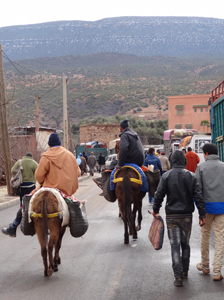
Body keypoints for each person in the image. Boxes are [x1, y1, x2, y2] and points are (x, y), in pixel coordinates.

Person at [152, 150, 206, 287]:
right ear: (184, 161)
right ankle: (185, 271)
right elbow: (199, 197)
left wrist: (156, 210)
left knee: (175, 246)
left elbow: (159, 195)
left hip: (171, 216)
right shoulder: (191, 176)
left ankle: (178, 277)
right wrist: (202, 215)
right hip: (187, 216)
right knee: (185, 244)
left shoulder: (166, 176)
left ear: (172, 161)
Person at [195, 143, 224, 281]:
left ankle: (205, 265)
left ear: (206, 153)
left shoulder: (201, 167)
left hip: (206, 208)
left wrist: (200, 211)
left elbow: (197, 191)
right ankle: (217, 271)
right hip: (222, 208)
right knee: (220, 238)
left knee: (205, 236)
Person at [2, 152, 38, 237]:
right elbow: (39, 172)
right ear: (32, 157)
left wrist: (19, 171)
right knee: (32, 203)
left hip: (21, 186)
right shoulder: (34, 163)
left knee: (23, 203)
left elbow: (12, 170)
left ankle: (20, 218)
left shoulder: (20, 162)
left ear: (25, 156)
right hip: (31, 186)